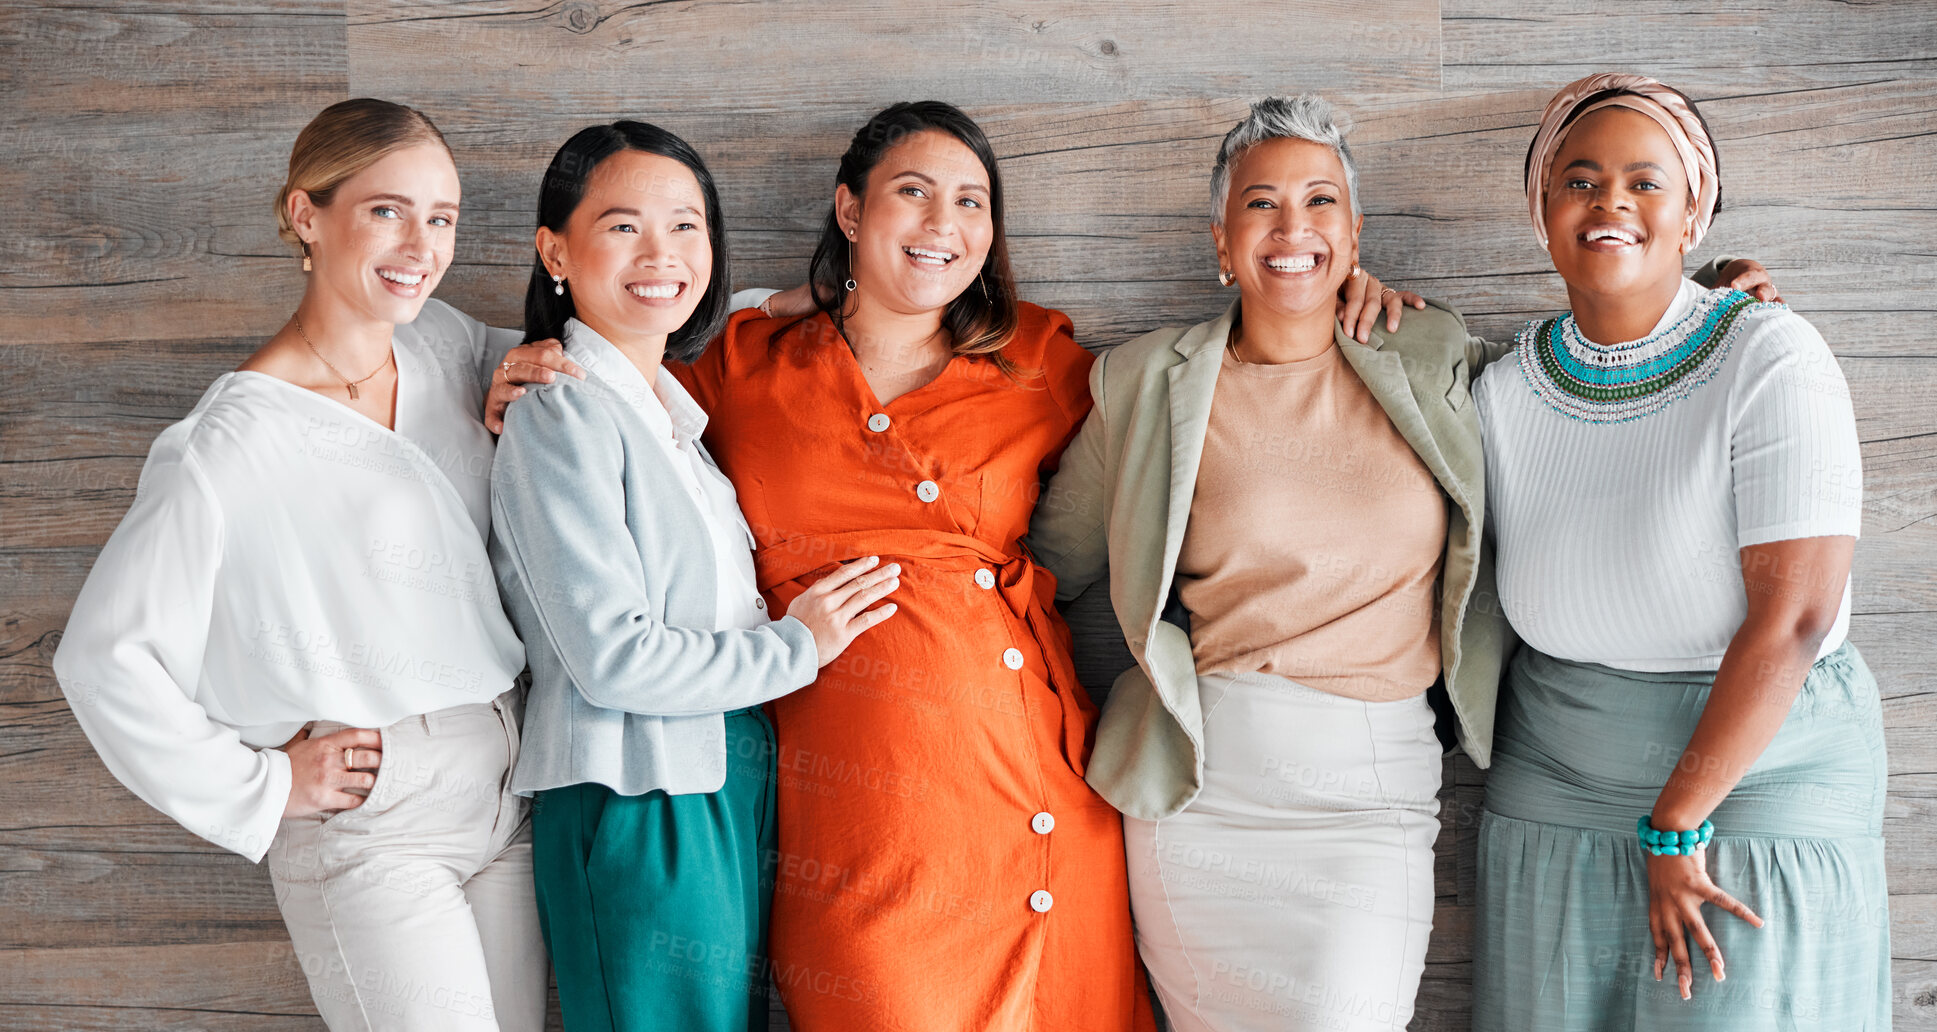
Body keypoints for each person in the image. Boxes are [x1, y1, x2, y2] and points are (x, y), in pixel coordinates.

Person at [1025, 95, 1777, 1032]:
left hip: (1369, 797)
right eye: (1261, 204)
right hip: (1200, 793)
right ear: (1220, 238)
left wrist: (1699, 298)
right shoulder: (1141, 381)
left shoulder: (1430, 353)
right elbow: (1040, 568)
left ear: (1353, 232)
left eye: (1320, 202)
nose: (1291, 227)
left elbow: (1592, 383)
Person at [52, 98, 565, 1031]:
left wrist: (523, 369)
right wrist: (263, 787)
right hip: (374, 811)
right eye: (387, 210)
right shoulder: (228, 443)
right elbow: (100, 657)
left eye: (442, 217)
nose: (421, 243)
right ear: (305, 215)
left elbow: (570, 364)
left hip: (505, 773)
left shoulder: (444, 342)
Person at [1470, 73, 1887, 1030]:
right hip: (1558, 780)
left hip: (1757, 783)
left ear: (1693, 210)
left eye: (1644, 181)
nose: (1608, 201)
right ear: (1540, 210)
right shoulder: (1499, 391)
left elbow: (1795, 618)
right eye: (1577, 180)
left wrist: (1675, 828)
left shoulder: (1771, 357)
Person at [486, 120, 897, 1032]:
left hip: (723, 777)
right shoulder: (558, 413)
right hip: (635, 792)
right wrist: (799, 648)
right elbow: (612, 660)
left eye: (686, 226)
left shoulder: (669, 412)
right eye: (623, 226)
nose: (660, 254)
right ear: (555, 247)